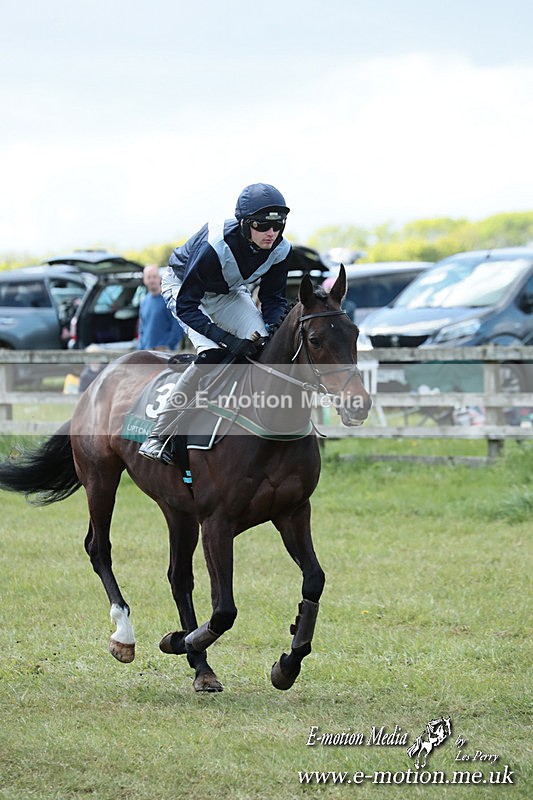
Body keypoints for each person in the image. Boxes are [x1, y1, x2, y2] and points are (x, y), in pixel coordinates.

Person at [139, 182, 292, 464]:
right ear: (244, 224)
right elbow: (187, 306)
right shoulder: (215, 246)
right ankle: (159, 433)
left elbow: (273, 299)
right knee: (212, 354)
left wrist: (272, 329)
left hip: (228, 292)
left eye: (278, 225)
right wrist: (228, 340)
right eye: (262, 225)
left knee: (263, 346)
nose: (271, 233)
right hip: (184, 288)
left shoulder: (281, 249)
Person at [138, 264, 183, 351]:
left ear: (159, 278)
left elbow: (177, 326)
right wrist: (141, 347)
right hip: (147, 351)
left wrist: (169, 345)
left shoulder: (168, 299)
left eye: (154, 277)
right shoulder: (144, 302)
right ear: (144, 280)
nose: (152, 280)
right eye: (148, 277)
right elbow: (142, 328)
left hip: (165, 352)